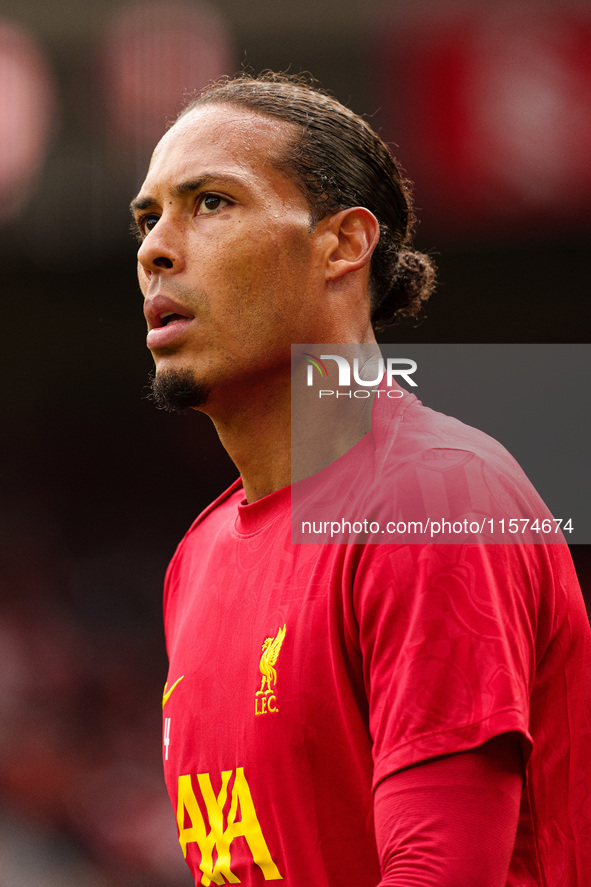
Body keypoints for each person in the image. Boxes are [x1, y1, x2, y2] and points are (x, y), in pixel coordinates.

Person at [130, 72, 591, 886]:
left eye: (210, 202)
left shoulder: (437, 499)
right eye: (148, 216)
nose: (154, 248)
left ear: (342, 243)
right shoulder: (196, 557)